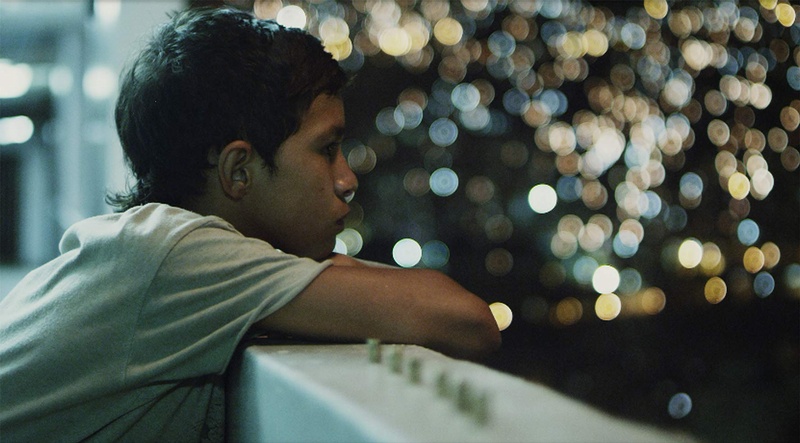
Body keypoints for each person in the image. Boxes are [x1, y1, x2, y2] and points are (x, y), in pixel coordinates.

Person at [0, 6, 501, 442]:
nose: (347, 180)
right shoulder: (177, 255)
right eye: (326, 150)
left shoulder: (146, 249)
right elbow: (466, 322)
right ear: (238, 171)